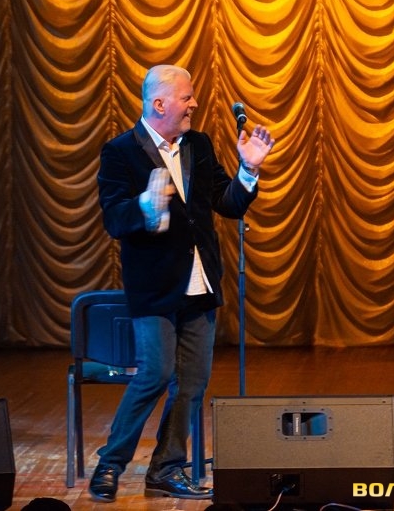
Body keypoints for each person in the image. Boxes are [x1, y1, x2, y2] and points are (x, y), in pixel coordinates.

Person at [92, 64, 275, 502]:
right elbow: (114, 219)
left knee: (191, 383)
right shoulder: (120, 152)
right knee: (155, 372)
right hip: (154, 288)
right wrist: (145, 203)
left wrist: (249, 171)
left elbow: (227, 203)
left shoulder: (198, 144)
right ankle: (110, 463)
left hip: (200, 284)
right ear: (159, 104)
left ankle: (167, 468)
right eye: (186, 97)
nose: (194, 104)